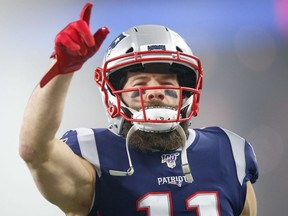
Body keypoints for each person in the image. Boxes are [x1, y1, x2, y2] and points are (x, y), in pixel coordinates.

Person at [19, 2, 258, 216]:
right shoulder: (92, 154)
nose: (154, 91)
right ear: (113, 95)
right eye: (140, 84)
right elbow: (33, 150)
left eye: (166, 82)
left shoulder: (228, 153)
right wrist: (62, 69)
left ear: (186, 92)